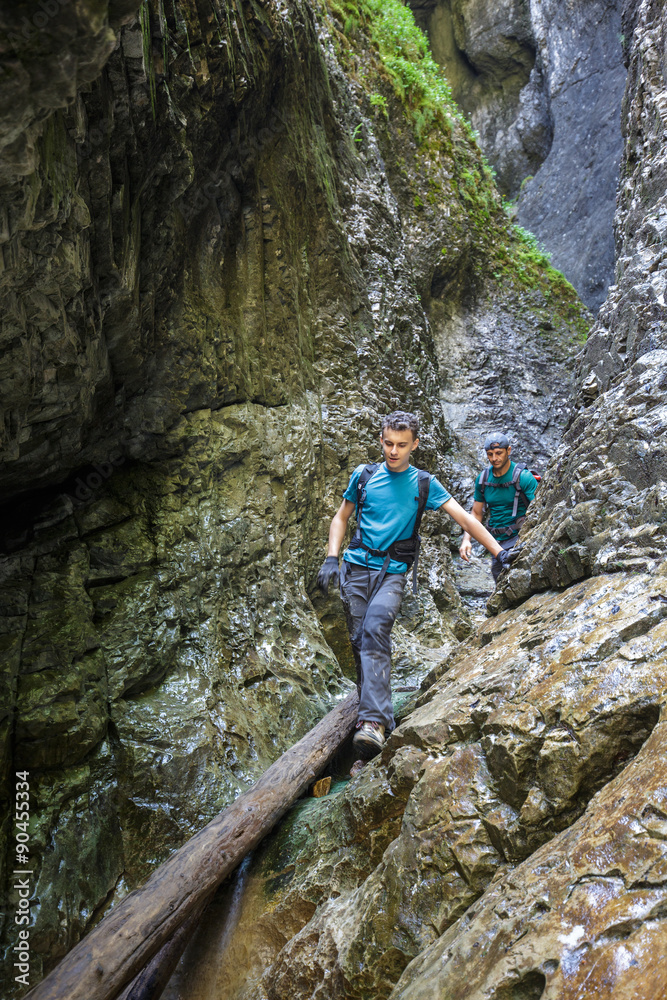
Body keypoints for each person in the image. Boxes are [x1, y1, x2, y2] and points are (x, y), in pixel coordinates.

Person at [317, 411, 513, 758]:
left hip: (393, 572)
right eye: (389, 443)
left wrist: (498, 552)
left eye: (402, 445)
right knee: (360, 641)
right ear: (381, 440)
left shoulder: (424, 483)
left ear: (415, 445)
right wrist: (332, 557)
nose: (394, 451)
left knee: (377, 628)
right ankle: (374, 725)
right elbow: (341, 517)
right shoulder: (363, 476)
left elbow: (465, 517)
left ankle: (373, 721)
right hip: (356, 569)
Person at [459, 432, 538, 581]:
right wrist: (466, 540)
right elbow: (476, 513)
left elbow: (539, 509)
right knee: (500, 580)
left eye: (498, 453)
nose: (494, 458)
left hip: (519, 538)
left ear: (508, 451)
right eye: (490, 454)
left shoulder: (524, 477)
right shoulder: (482, 479)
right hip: (495, 542)